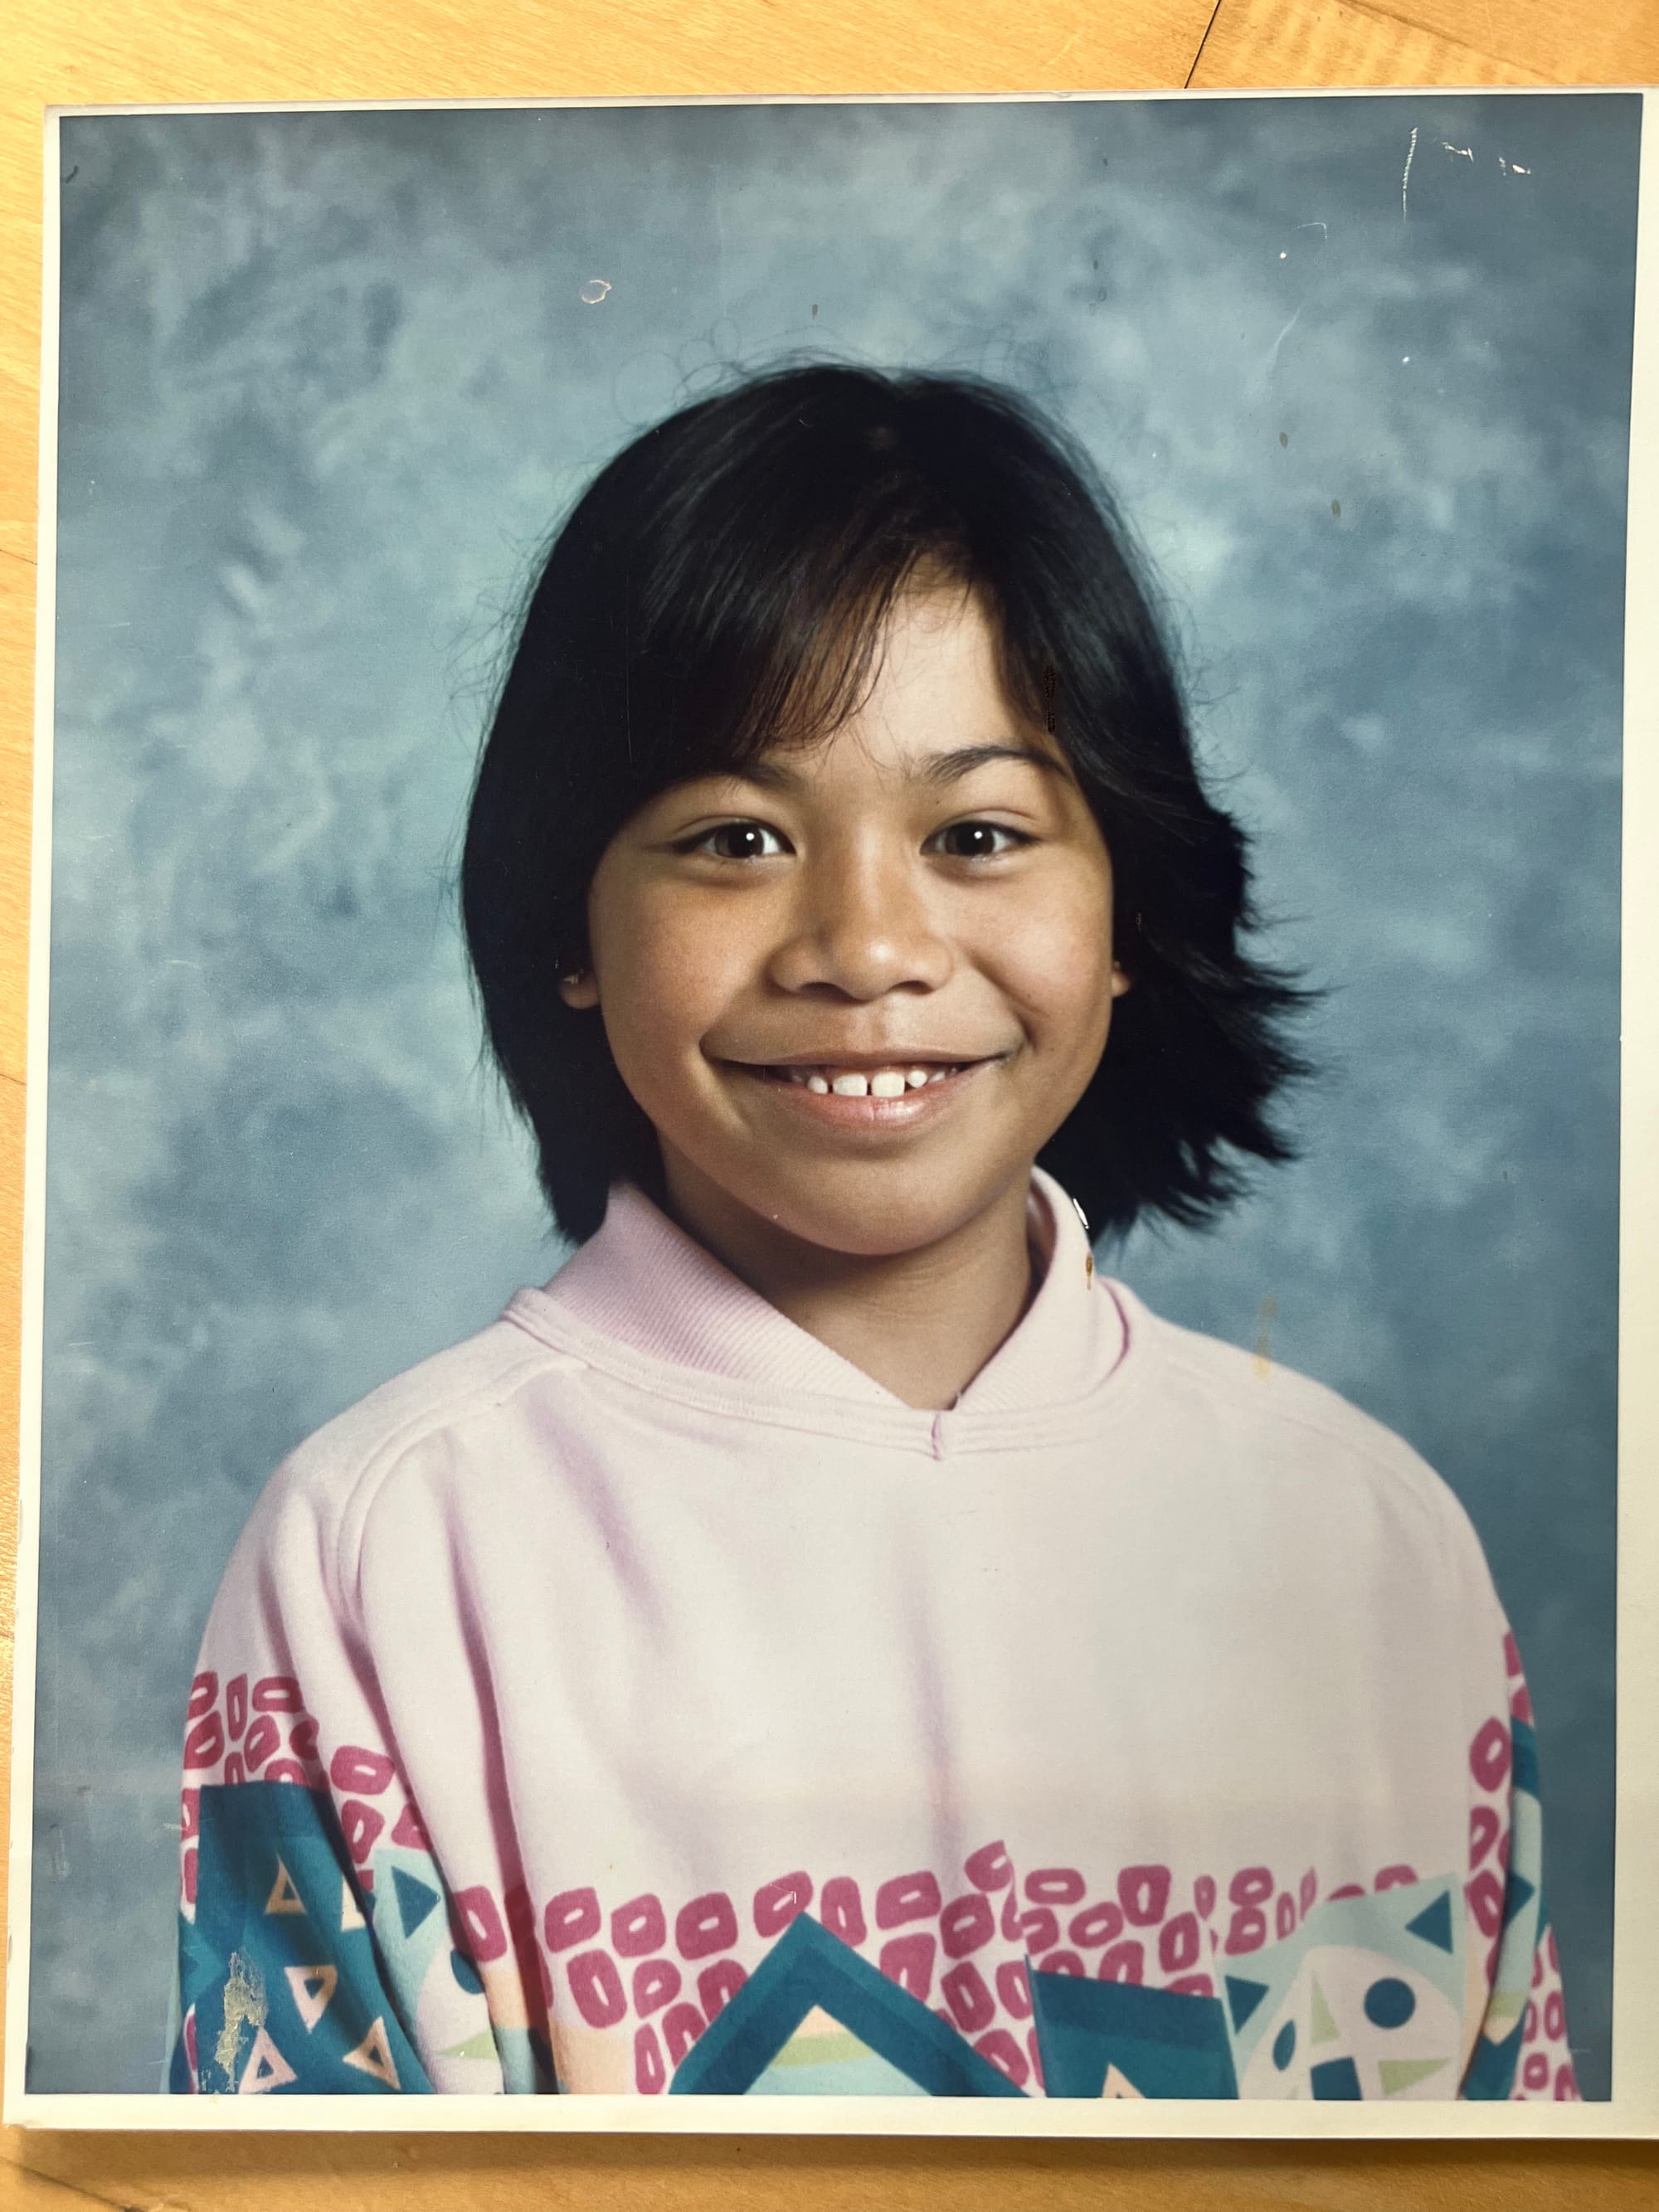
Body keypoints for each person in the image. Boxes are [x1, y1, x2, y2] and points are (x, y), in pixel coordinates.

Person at [170, 363, 1576, 2103]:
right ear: (568, 924)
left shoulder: (1370, 1539)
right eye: (735, 835)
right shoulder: (382, 1552)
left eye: (978, 832)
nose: (864, 944)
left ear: (1131, 906)